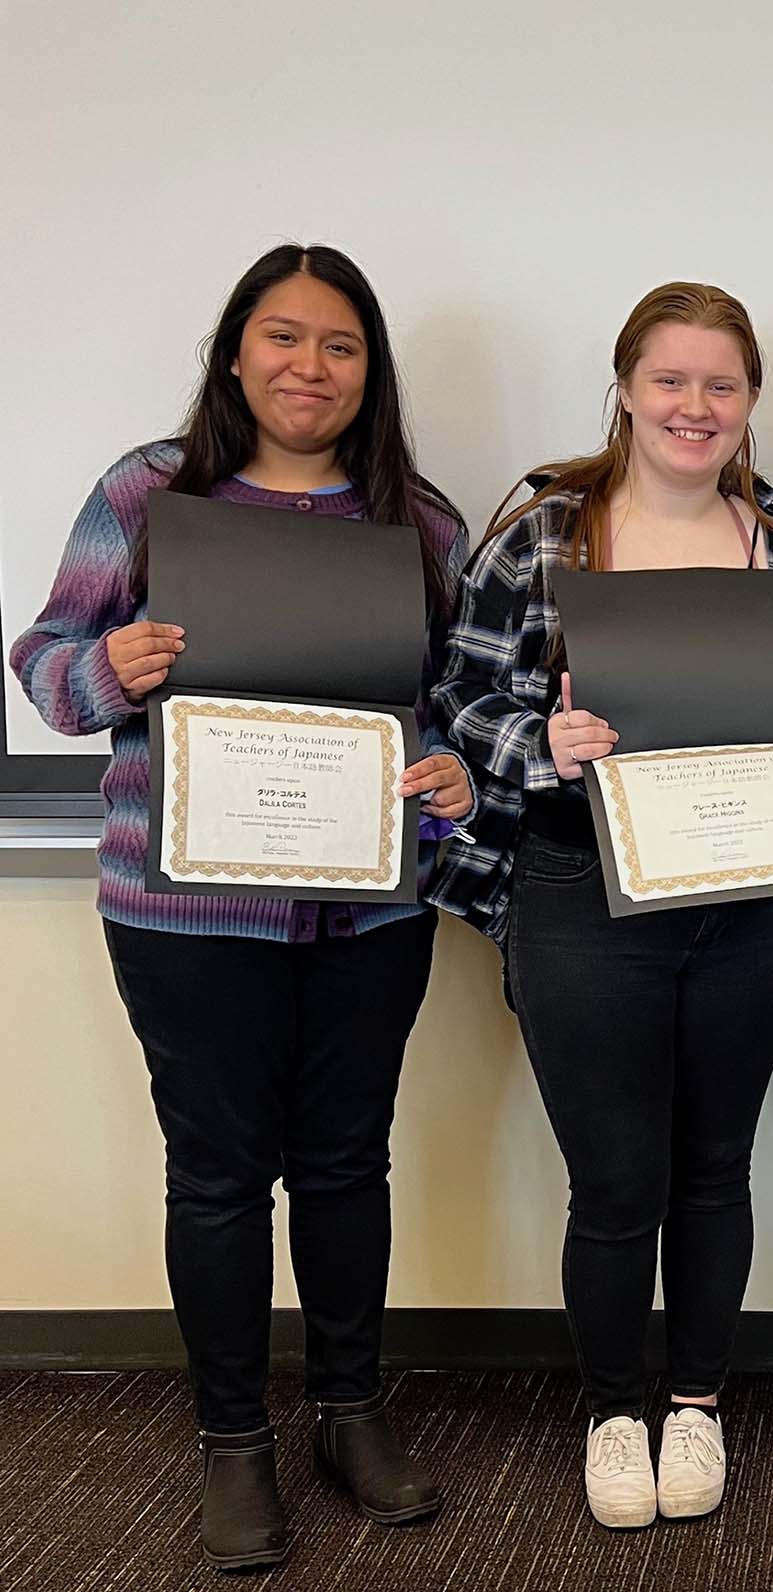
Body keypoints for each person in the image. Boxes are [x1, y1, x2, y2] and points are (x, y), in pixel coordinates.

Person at [10, 245, 472, 1571]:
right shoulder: (149, 494)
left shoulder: (416, 521)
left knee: (345, 1165)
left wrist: (448, 770)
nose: (308, 368)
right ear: (233, 353)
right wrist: (110, 665)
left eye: (339, 346)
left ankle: (347, 1413)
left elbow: (445, 706)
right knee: (216, 1179)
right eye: (283, 338)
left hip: (364, 915)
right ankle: (233, 1442)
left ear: (369, 371)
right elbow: (44, 663)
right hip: (181, 910)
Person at [428, 282, 773, 1530]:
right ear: (624, 386)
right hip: (578, 890)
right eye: (669, 379)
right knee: (613, 1183)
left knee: (715, 1171)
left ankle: (696, 1403)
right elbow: (458, 699)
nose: (694, 406)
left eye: (722, 384)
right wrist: (543, 742)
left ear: (752, 400)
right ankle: (614, 1410)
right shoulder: (544, 534)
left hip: (749, 901)